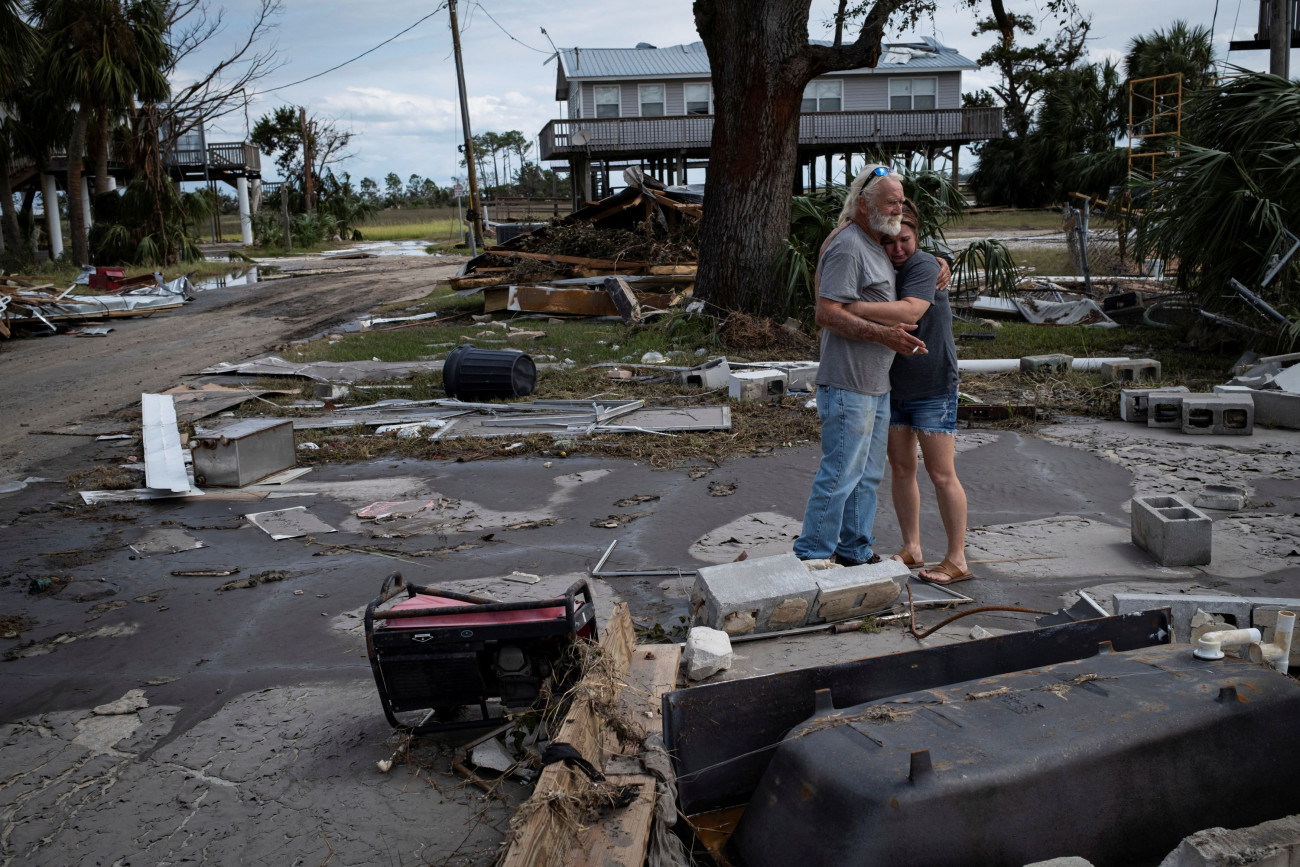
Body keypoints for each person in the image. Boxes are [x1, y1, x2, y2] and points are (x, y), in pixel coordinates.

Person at [792, 165, 928, 567]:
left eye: (902, 201)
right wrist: (884, 335)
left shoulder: (878, 242)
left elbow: (916, 250)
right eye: (891, 201)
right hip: (847, 383)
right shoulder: (849, 245)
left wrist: (942, 263)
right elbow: (826, 314)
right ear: (865, 205)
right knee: (839, 475)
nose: (899, 208)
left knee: (866, 477)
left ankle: (854, 550)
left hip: (875, 385)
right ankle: (812, 555)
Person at [845, 201, 971, 584]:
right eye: (889, 241)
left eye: (906, 239)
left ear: (917, 238)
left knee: (941, 473)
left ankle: (957, 558)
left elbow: (910, 313)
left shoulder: (924, 265)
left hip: (933, 384)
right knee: (901, 469)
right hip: (892, 385)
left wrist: (852, 308)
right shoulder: (882, 264)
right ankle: (912, 547)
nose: (898, 248)